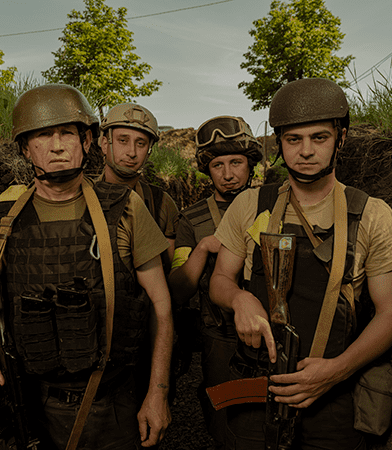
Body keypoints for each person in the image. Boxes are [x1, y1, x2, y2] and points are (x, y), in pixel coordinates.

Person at [0, 84, 173, 450]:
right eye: (43, 135)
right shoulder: (3, 217)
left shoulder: (126, 208)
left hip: (115, 401)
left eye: (67, 134)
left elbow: (162, 307)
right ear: (26, 148)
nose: (57, 146)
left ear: (88, 141)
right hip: (38, 404)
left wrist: (158, 392)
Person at [209, 78, 392, 449]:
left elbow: (391, 310)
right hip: (257, 388)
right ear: (279, 143)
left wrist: (337, 371)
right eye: (293, 139)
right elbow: (221, 277)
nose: (305, 151)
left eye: (319, 138)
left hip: (331, 400)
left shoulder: (372, 215)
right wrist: (239, 299)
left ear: (341, 138)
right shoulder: (251, 204)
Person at [168, 116, 262, 449]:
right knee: (226, 418)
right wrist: (204, 247)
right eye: (217, 165)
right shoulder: (192, 218)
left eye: (236, 162)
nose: (227, 173)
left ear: (250, 165)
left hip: (269, 329)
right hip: (219, 336)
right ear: (207, 170)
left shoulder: (275, 203)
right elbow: (179, 288)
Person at [99, 103, 178, 274]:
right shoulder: (82, 193)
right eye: (123, 141)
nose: (132, 152)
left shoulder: (161, 203)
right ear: (105, 144)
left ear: (149, 151)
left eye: (140, 143)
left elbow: (172, 273)